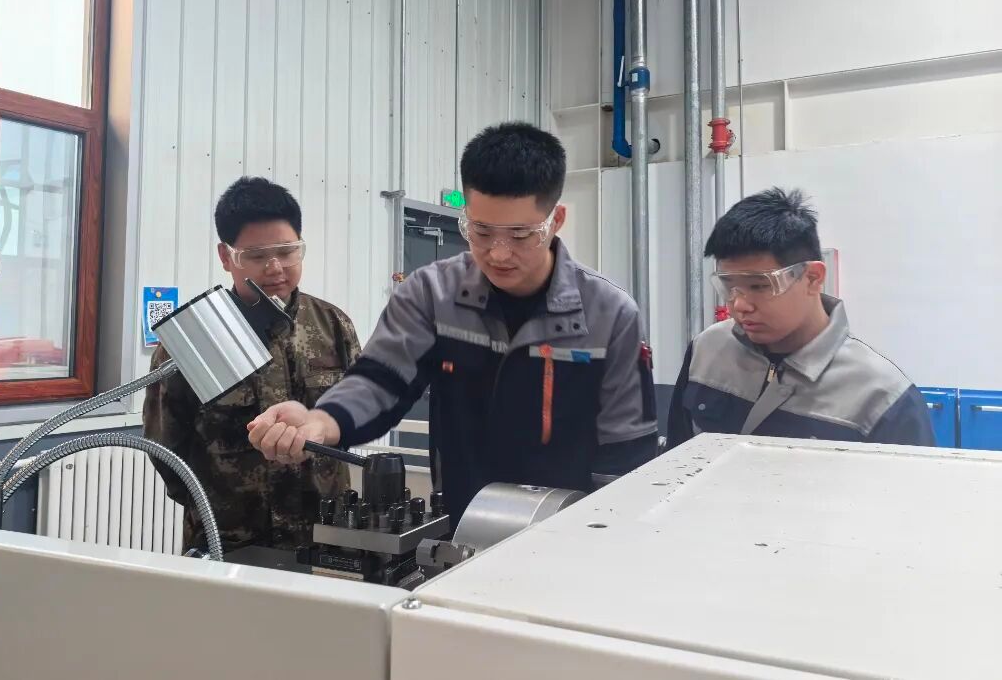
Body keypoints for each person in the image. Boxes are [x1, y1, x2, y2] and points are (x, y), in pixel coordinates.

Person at [247, 122, 659, 526]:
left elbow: (626, 454)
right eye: (480, 231)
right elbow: (379, 382)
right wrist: (321, 422)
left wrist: (602, 537)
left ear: (556, 220)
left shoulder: (609, 315)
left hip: (570, 533)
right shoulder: (432, 295)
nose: (498, 254)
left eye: (521, 235)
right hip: (463, 528)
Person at [143, 177, 360, 553]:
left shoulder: (333, 326)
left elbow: (357, 414)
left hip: (325, 537)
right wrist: (216, 508)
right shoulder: (195, 340)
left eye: (287, 252)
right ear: (226, 256)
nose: (275, 268)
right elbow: (165, 446)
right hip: (229, 542)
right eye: (256, 257)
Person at [665, 187, 934, 449]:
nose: (740, 305)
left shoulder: (881, 398)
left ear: (813, 278)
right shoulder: (707, 350)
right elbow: (675, 462)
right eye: (729, 286)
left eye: (759, 285)